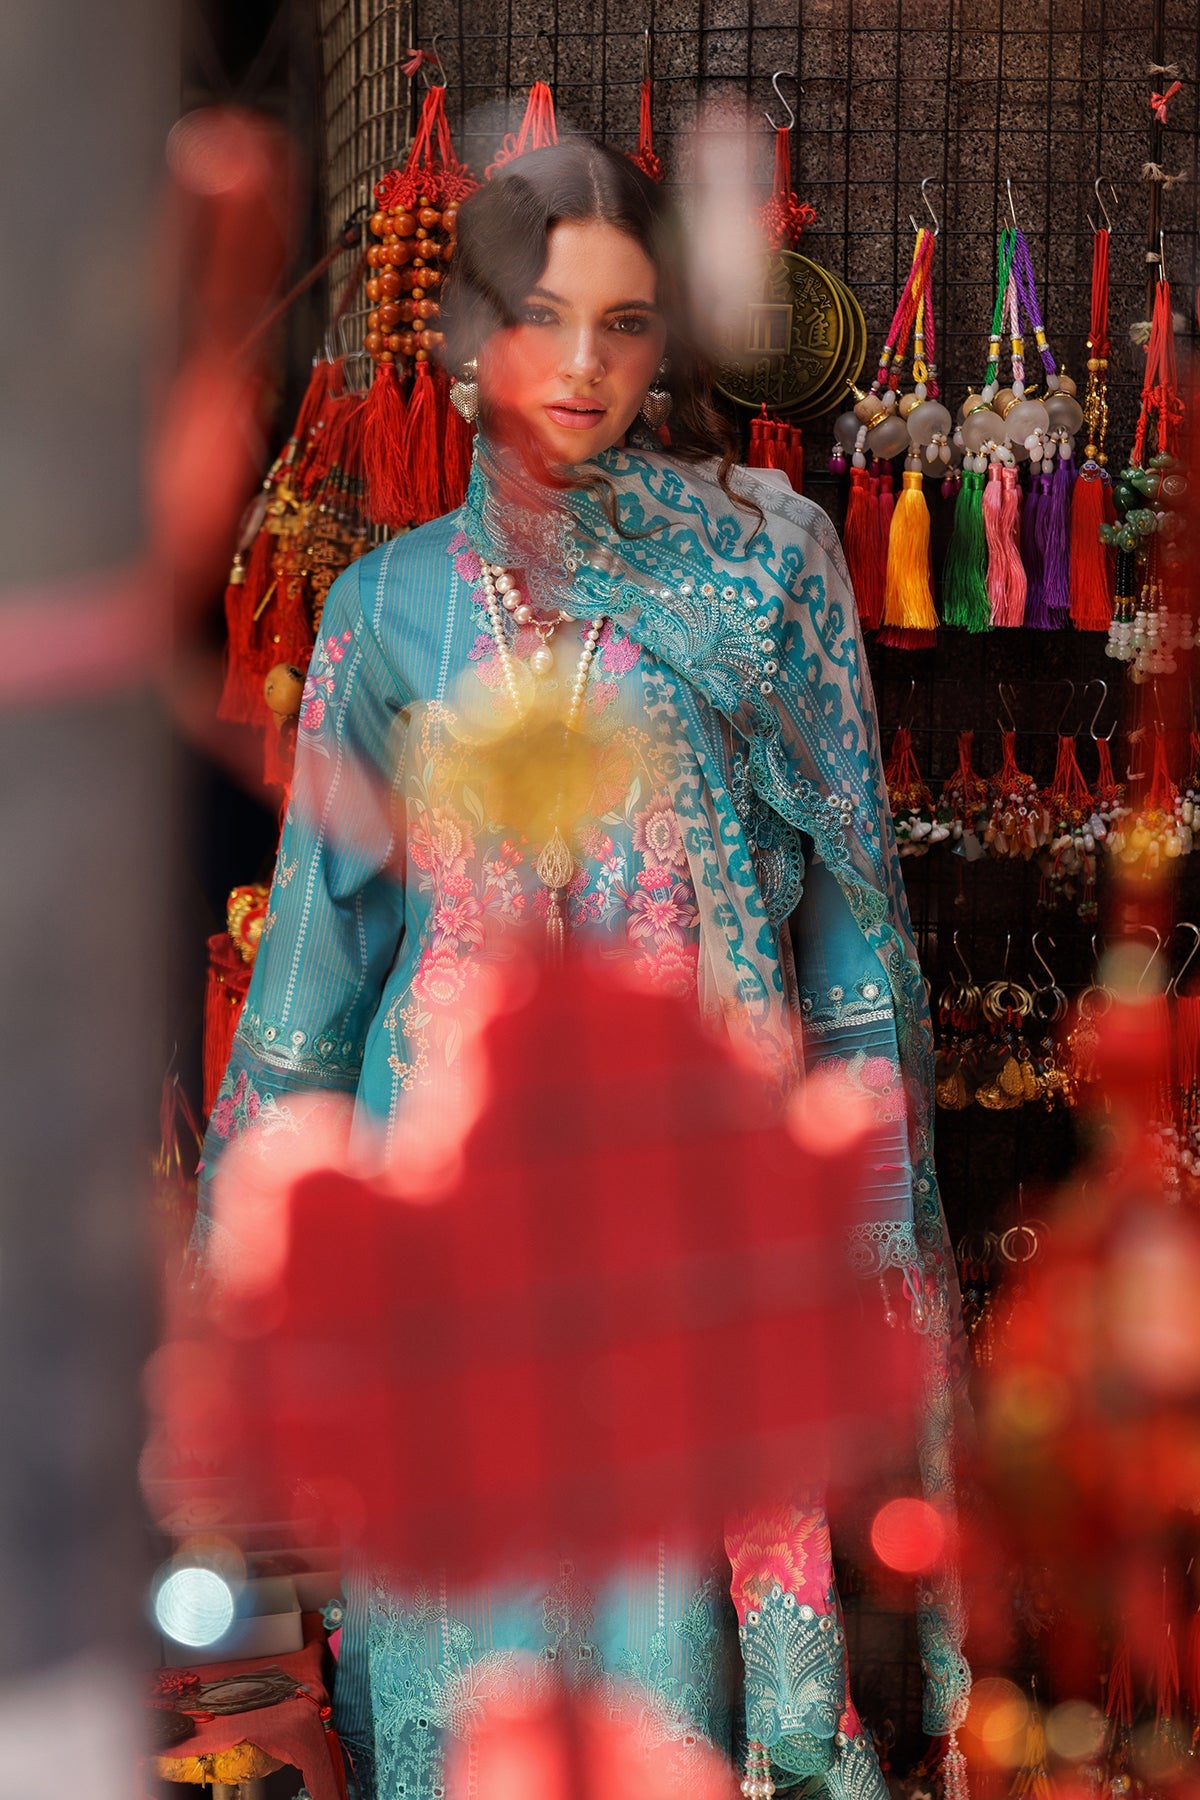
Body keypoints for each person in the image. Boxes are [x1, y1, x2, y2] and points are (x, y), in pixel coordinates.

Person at [195, 138, 969, 1800]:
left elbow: (850, 944)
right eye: (543, 317)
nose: (584, 363)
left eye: (624, 322)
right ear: (472, 337)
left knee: (660, 1650)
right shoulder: (389, 608)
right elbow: (319, 967)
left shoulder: (763, 580)